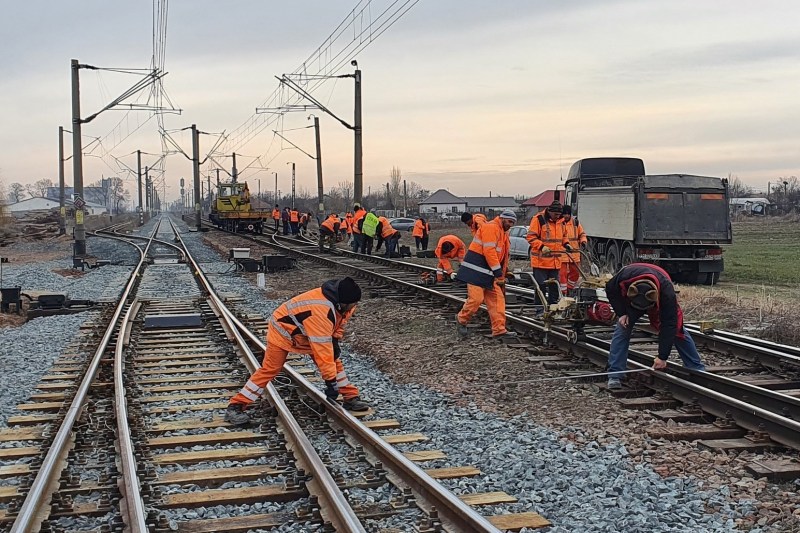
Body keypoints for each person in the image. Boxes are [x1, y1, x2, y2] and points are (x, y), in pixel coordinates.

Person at [225, 277, 370, 426]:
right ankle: (236, 405)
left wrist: (335, 338)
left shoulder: (345, 302)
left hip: (305, 333)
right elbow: (323, 352)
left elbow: (341, 320)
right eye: (352, 305)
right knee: (270, 369)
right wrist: (330, 381)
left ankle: (350, 397)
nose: (354, 307)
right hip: (283, 332)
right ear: (342, 303)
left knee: (334, 360)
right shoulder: (320, 311)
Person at [604, 263, 706, 390]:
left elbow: (670, 325)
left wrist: (662, 357)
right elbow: (610, 290)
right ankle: (615, 374)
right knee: (623, 328)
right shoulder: (622, 277)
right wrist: (622, 313)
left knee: (678, 330)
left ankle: (697, 369)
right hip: (631, 304)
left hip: (658, 296)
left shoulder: (667, 293)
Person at [455, 210, 518, 340]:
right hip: (476, 272)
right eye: (509, 221)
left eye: (513, 223)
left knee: (497, 302)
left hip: (489, 273)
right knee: (476, 300)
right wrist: (498, 272)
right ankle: (461, 319)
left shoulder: (503, 232)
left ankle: (499, 330)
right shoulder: (491, 228)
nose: (510, 225)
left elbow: (502, 255)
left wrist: (504, 271)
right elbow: (489, 251)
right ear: (502, 219)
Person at [526, 201, 568, 306]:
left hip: (555, 262)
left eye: (558, 215)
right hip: (541, 262)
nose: (557, 217)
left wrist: (566, 244)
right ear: (549, 211)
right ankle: (540, 309)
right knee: (541, 286)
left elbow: (564, 236)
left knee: (555, 286)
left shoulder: (561, 221)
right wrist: (541, 246)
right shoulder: (539, 220)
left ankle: (554, 307)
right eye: (555, 215)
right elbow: (531, 237)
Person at [560, 205, 588, 292]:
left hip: (575, 253)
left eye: (568, 214)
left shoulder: (575, 223)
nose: (566, 216)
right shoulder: (559, 223)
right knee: (562, 274)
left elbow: (582, 234)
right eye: (564, 214)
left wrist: (583, 241)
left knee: (575, 273)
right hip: (562, 253)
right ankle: (563, 292)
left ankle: (569, 288)